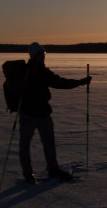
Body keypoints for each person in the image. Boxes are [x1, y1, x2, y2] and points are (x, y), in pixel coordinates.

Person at [19, 42, 91, 184]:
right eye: (40, 54)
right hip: (28, 114)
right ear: (34, 56)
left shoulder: (43, 71)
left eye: (44, 54)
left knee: (49, 143)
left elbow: (59, 82)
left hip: (44, 113)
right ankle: (28, 173)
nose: (43, 57)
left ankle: (53, 169)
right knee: (25, 144)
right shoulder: (26, 71)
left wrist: (80, 82)